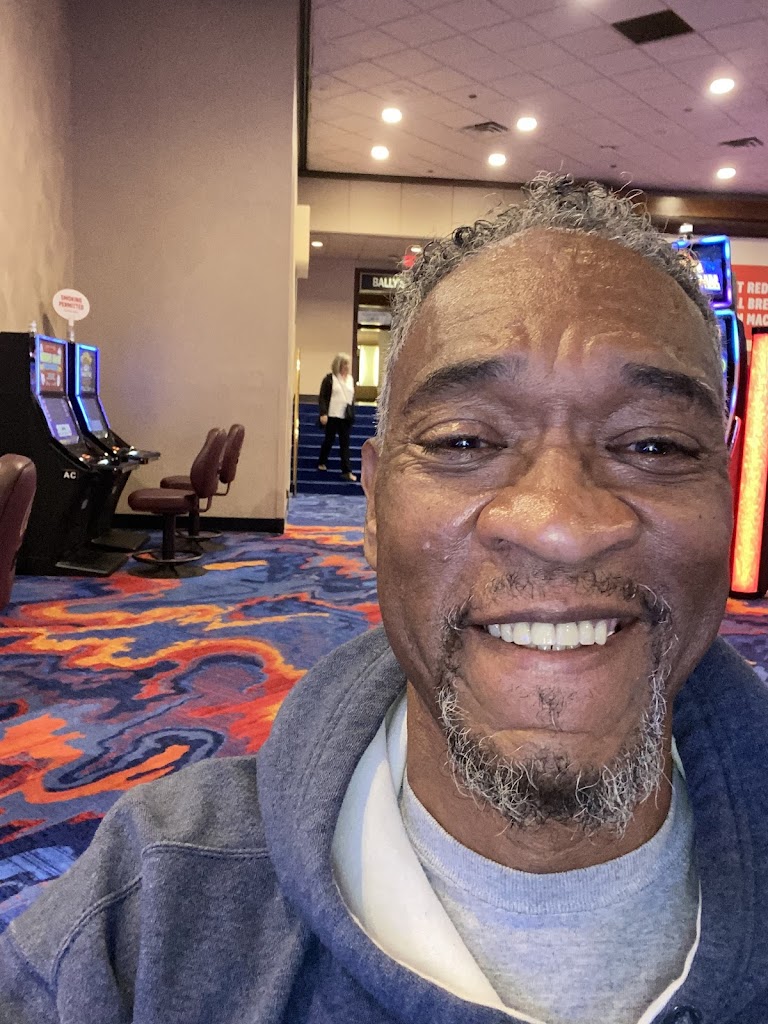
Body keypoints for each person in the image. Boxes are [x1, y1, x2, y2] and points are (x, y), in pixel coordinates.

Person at [2, 174, 767, 1024]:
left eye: (655, 445)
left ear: (725, 488)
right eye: (464, 441)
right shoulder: (146, 909)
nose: (559, 525)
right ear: (372, 505)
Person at [317, 353, 357, 481]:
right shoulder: (330, 379)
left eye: (348, 364)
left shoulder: (350, 379)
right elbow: (323, 397)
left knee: (345, 443)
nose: (347, 366)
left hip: (345, 416)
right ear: (339, 365)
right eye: (344, 364)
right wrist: (323, 413)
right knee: (329, 439)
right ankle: (322, 461)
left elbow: (351, 397)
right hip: (332, 415)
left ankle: (347, 471)